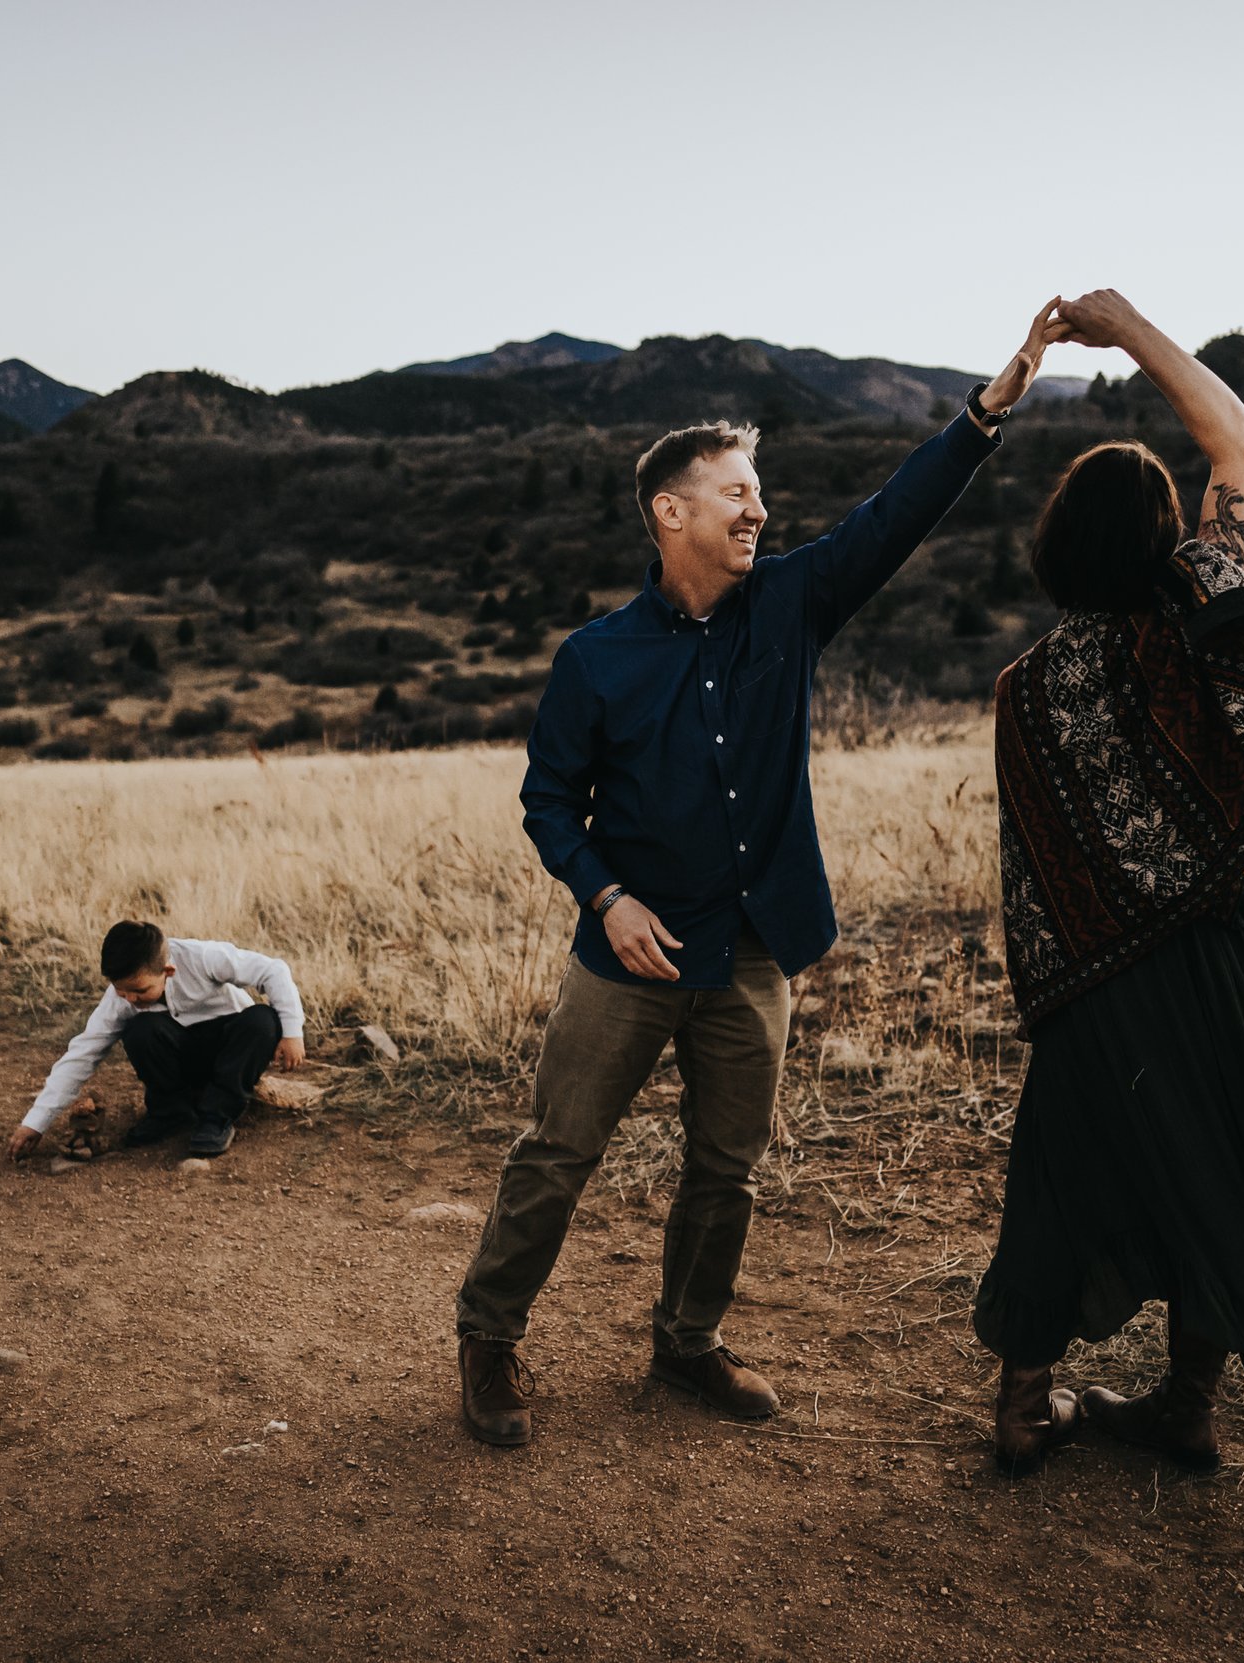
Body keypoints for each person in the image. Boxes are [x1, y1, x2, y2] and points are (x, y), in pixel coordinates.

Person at [451, 301, 1068, 1447]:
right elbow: (547, 802)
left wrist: (983, 415)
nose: (760, 509)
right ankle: (489, 1341)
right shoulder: (595, 659)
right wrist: (607, 895)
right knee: (556, 1154)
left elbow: (889, 522)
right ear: (669, 511)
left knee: (725, 1170)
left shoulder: (788, 603)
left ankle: (686, 1343)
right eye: (737, 493)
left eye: (760, 494)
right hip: (627, 953)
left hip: (750, 949)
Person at [974, 288, 1244, 1478]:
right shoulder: (1201, 614)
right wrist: (1131, 331)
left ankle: (1021, 1406)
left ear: (1059, 547)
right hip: (1226, 954)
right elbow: (1243, 445)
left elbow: (1036, 865)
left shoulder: (1026, 687)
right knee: (1223, 1169)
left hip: (1095, 977)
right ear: (1164, 542)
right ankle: (1185, 1402)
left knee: (1066, 1171)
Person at [5, 920, 307, 1163]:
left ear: (168, 971)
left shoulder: (202, 957)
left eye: (138, 990)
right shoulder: (121, 998)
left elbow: (273, 970)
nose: (130, 999)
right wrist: (36, 1122)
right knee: (140, 1029)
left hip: (229, 1054)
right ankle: (170, 1113)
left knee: (262, 1021)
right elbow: (83, 1053)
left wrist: (292, 1032)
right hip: (182, 1058)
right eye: (121, 991)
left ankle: (217, 1118)